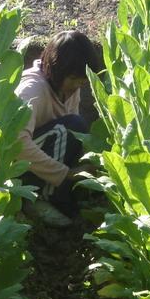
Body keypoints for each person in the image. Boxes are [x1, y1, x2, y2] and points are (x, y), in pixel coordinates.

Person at [16, 30, 101, 227]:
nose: (78, 85)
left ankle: (59, 196)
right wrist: (67, 174)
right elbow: (17, 143)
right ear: (55, 69)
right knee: (71, 127)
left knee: (75, 130)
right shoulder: (31, 91)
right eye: (73, 79)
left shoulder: (69, 88)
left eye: (82, 80)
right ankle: (35, 199)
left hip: (40, 155)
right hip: (14, 165)